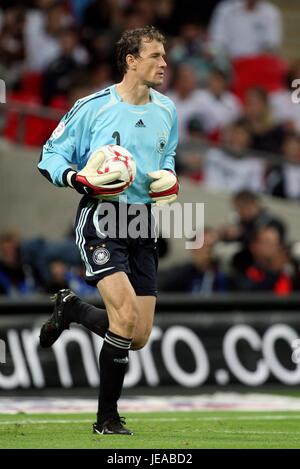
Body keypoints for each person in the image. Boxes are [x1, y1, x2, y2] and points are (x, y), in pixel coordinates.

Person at [37, 26, 179, 435]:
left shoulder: (167, 109)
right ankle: (106, 420)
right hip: (102, 217)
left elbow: (167, 156)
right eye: (155, 55)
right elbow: (51, 154)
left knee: (138, 336)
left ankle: (73, 309)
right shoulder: (93, 107)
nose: (164, 63)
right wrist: (77, 179)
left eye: (164, 55)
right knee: (124, 315)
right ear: (131, 60)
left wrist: (169, 177)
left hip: (142, 221)